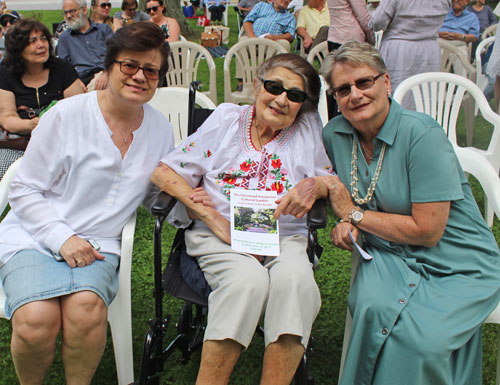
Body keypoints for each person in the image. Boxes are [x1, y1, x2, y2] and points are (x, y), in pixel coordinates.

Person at [0, 22, 174, 384]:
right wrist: (61, 237)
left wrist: (197, 199)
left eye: (151, 70)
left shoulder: (159, 129)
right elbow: (24, 189)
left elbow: (156, 194)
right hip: (36, 233)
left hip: (97, 243)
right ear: (108, 67)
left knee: (86, 312)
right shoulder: (66, 115)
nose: (140, 76)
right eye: (130, 65)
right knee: (36, 320)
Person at [320, 40, 500, 385]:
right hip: (388, 253)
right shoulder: (335, 135)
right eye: (343, 89)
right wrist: (346, 223)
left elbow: (429, 231)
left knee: (423, 342)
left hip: (455, 260)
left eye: (364, 82)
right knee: (372, 307)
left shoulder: (422, 134)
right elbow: (354, 194)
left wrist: (354, 216)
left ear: (386, 82)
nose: (354, 94)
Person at [151, 53, 333, 385]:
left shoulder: (308, 129)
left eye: (294, 95)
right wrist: (207, 212)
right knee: (246, 281)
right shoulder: (226, 120)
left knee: (296, 283)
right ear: (256, 85)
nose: (281, 99)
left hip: (284, 237)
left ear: (303, 104)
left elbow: (329, 181)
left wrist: (314, 184)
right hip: (219, 232)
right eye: (274, 87)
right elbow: (164, 171)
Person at [0, 18, 84, 179]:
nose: (41, 45)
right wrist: (32, 124)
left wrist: (52, 125)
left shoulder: (63, 69)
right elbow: (7, 119)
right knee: (5, 170)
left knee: (80, 170)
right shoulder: (5, 74)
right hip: (20, 143)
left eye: (43, 39)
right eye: (32, 41)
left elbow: (79, 113)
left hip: (63, 140)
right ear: (18, 49)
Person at [370, 0, 450, 109]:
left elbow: (377, 22)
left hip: (400, 50)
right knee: (424, 96)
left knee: (398, 93)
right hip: (430, 50)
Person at [58, 0, 113, 88]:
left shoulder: (104, 30)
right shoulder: (65, 38)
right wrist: (76, 81)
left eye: (72, 11)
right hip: (82, 79)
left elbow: (116, 55)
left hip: (106, 73)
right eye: (65, 13)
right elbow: (63, 67)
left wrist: (106, 73)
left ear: (84, 10)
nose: (68, 16)